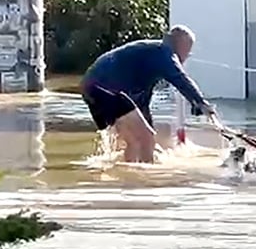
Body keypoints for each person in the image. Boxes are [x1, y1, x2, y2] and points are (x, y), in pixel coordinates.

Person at [80, 25, 216, 163]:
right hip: (105, 88)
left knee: (133, 142)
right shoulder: (164, 53)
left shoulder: (153, 54)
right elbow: (180, 79)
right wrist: (201, 102)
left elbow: (142, 102)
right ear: (181, 44)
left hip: (92, 86)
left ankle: (129, 178)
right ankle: (148, 177)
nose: (187, 56)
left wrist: (149, 126)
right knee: (147, 138)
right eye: (188, 50)